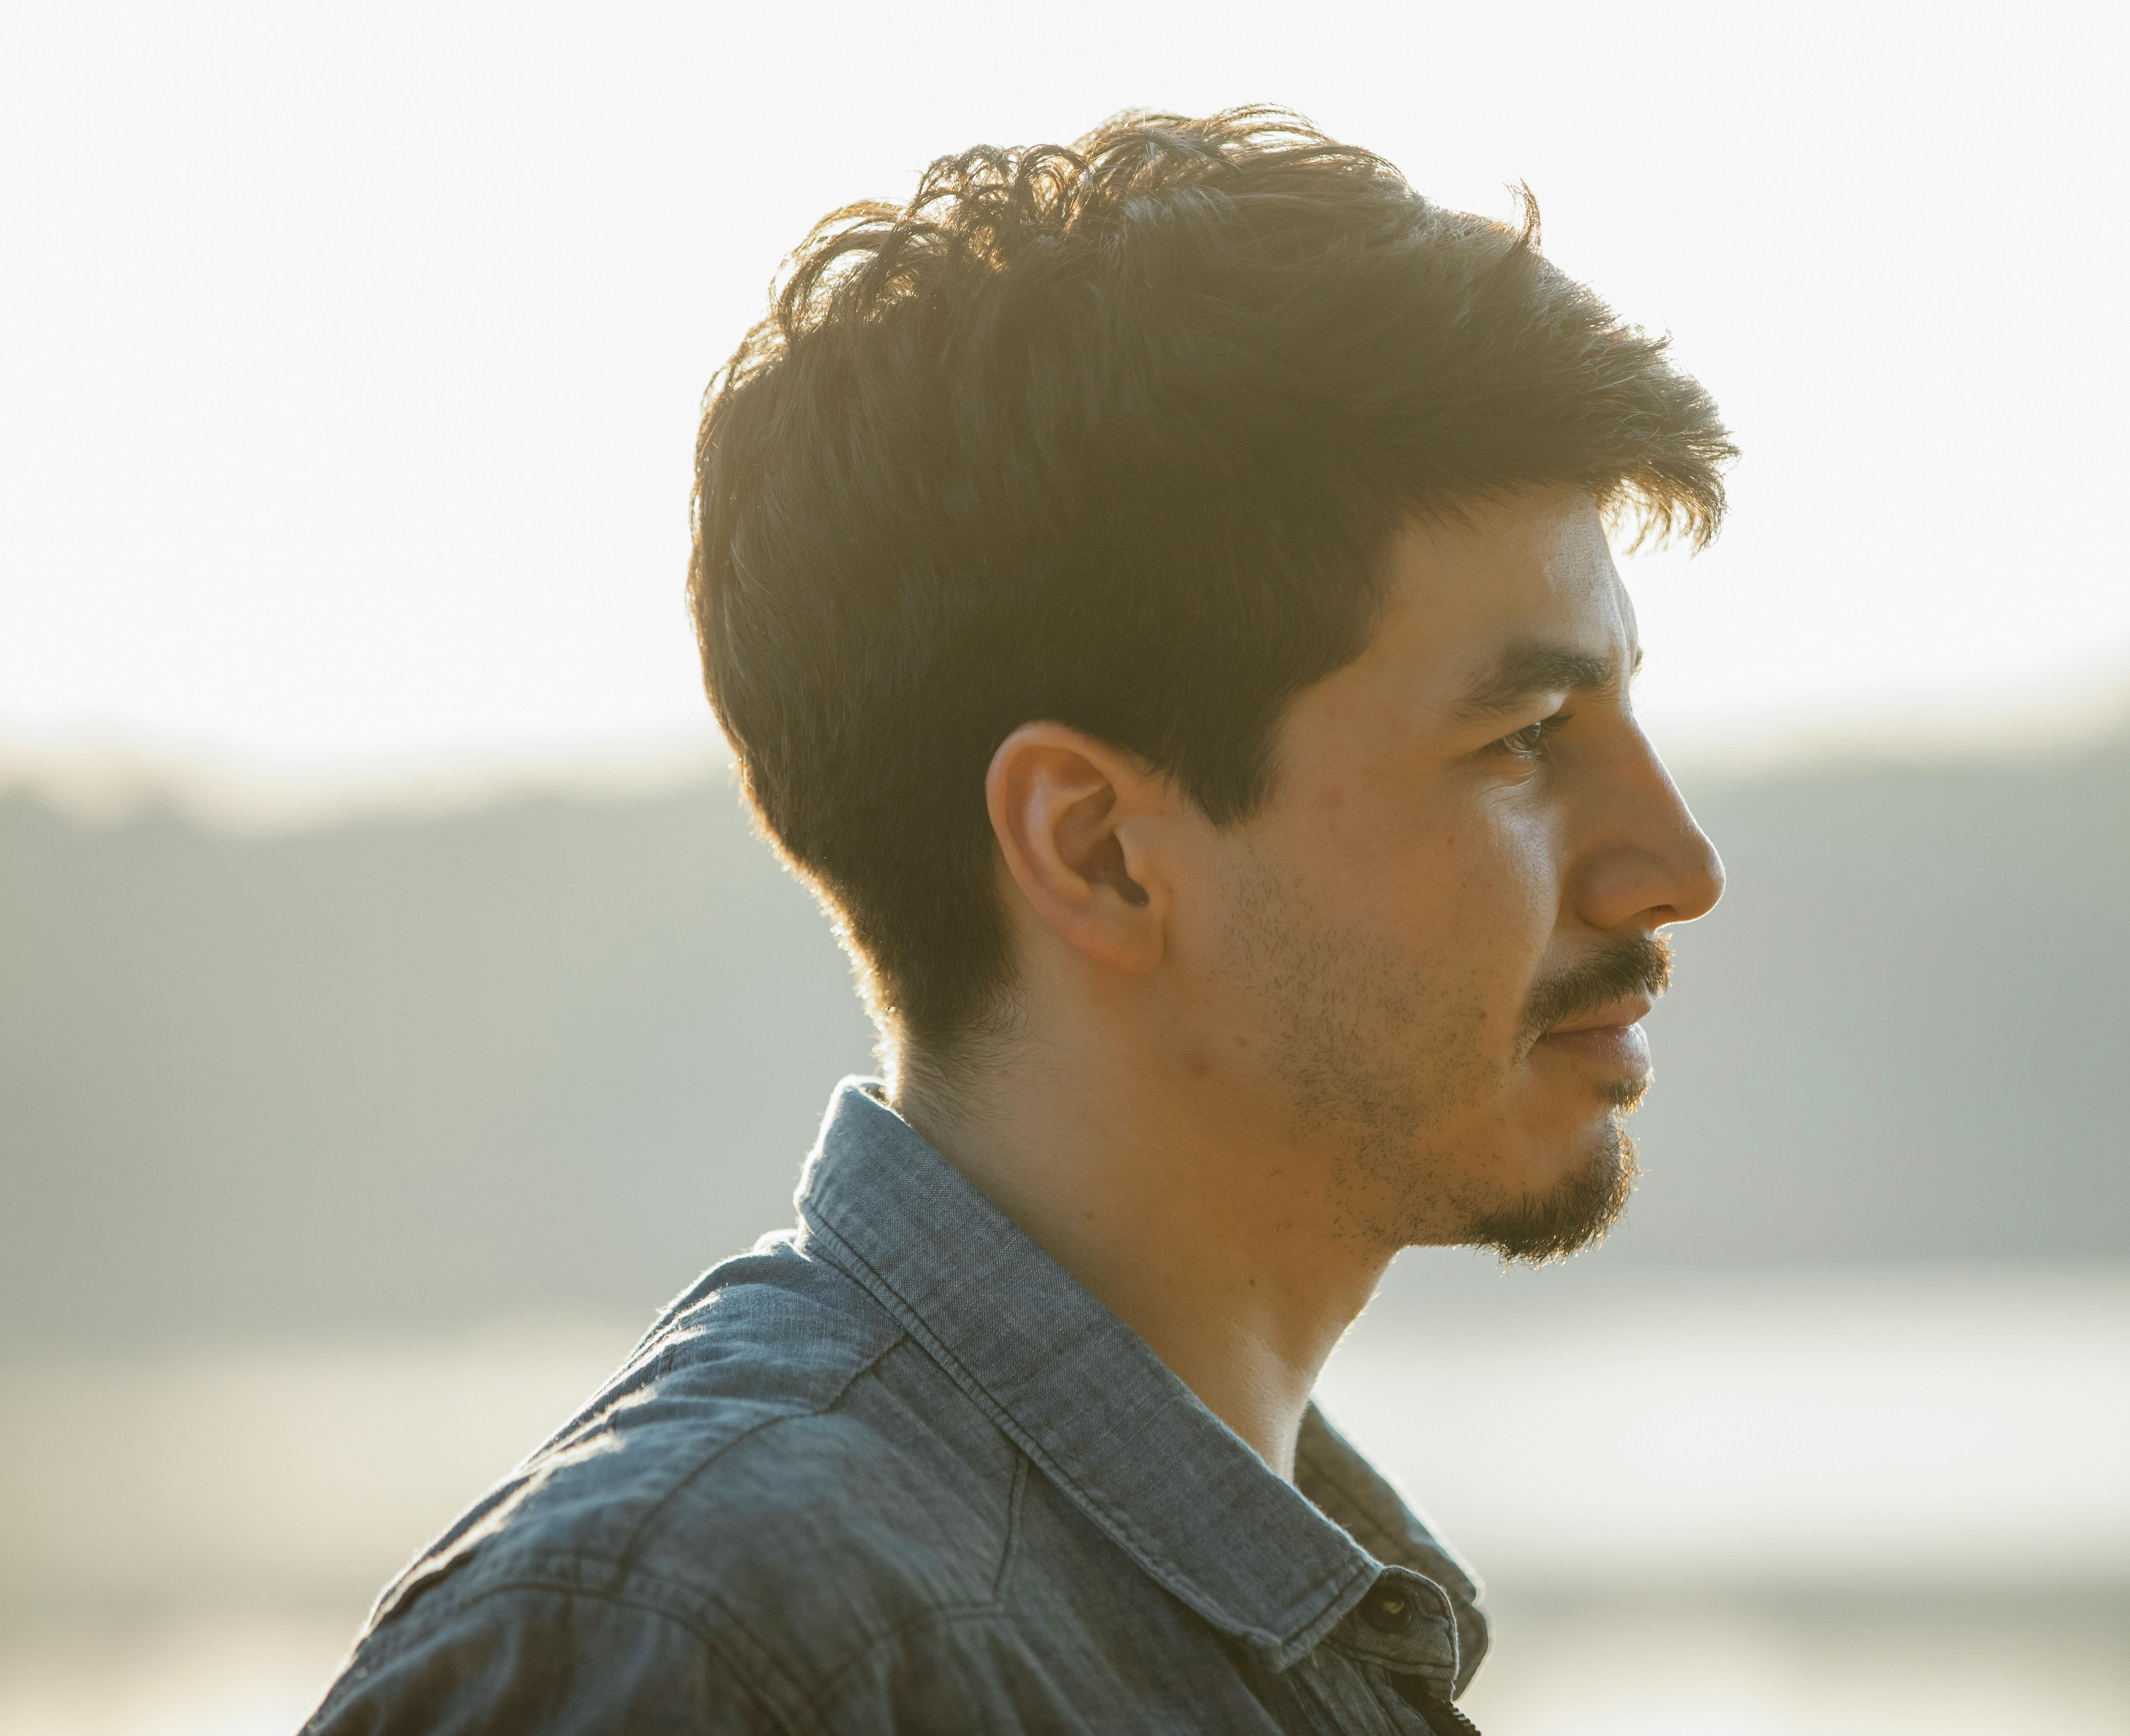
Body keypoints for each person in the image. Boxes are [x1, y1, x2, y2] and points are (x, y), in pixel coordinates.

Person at [302, 105, 1731, 1735]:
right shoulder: (709, 1648)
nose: (1675, 863)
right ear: (1103, 852)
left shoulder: (1245, 1606)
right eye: (1525, 740)